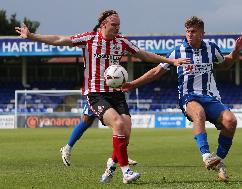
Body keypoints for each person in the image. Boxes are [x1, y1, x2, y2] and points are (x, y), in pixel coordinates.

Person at [15, 9, 189, 184]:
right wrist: (32, 36)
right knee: (117, 124)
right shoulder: (89, 39)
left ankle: (111, 165)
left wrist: (171, 61)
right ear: (103, 24)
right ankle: (126, 172)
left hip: (117, 94)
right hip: (96, 93)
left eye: (119, 25)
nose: (117, 28)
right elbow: (60, 40)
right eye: (114, 24)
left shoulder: (121, 42)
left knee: (126, 131)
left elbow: (144, 54)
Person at [122, 16, 242, 182]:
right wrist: (132, 84)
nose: (189, 34)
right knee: (199, 113)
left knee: (231, 121)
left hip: (211, 97)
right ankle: (206, 156)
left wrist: (236, 51)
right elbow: (156, 72)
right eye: (187, 31)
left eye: (193, 31)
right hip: (188, 97)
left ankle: (219, 161)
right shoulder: (177, 51)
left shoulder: (211, 49)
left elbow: (225, 64)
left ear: (202, 33)